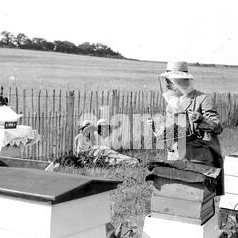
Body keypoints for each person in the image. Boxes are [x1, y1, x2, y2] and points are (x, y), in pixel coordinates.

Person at [148, 61, 224, 196]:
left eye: (170, 80)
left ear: (180, 80)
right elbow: (170, 135)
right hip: (177, 158)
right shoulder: (171, 104)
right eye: (166, 80)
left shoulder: (202, 99)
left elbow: (217, 127)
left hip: (199, 159)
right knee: (178, 195)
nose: (166, 83)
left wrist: (201, 119)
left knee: (199, 197)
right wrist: (156, 130)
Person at [74, 119, 139, 166]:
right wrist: (92, 150)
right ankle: (131, 161)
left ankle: (131, 160)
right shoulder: (80, 137)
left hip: (96, 154)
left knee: (114, 155)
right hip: (90, 158)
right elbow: (79, 152)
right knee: (113, 158)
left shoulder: (91, 137)